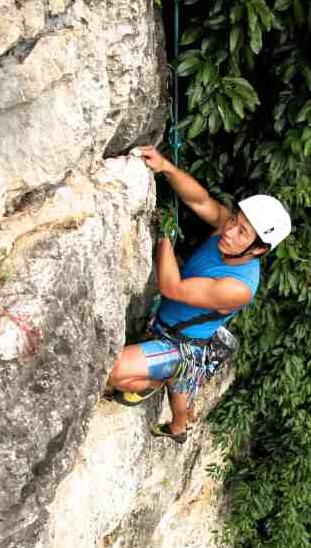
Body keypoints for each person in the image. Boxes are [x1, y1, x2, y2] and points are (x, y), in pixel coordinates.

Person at [107, 146, 291, 443]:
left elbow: (173, 288)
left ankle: (167, 404)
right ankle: (175, 415)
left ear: (258, 249)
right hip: (171, 325)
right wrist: (166, 166)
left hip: (181, 345)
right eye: (235, 220)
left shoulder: (239, 287)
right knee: (180, 392)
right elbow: (200, 199)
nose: (230, 231)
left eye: (243, 232)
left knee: (117, 371)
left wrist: (165, 235)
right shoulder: (227, 232)